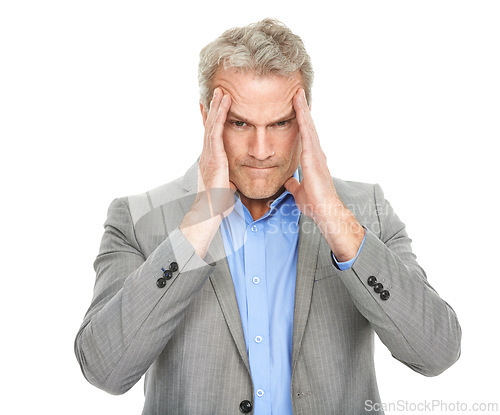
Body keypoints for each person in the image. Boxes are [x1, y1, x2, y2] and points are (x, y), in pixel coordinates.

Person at [75, 18, 461, 415]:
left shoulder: (367, 210)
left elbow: (436, 354)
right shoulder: (136, 220)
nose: (261, 149)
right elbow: (105, 371)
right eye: (239, 122)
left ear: (305, 117)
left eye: (280, 123)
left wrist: (333, 218)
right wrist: (200, 223)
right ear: (207, 116)